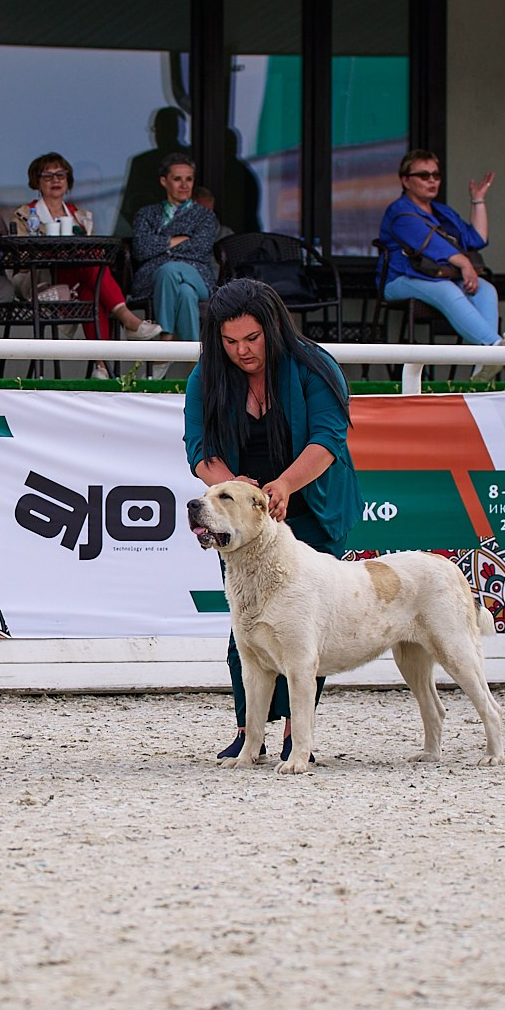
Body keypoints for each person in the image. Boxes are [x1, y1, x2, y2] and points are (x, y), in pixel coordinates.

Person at [184, 279, 359, 762]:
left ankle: (294, 739)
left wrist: (282, 486)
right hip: (243, 520)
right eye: (230, 341)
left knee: (306, 630)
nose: (242, 351)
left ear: (274, 328)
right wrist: (232, 488)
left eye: (252, 339)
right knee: (246, 626)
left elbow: (328, 438)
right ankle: (249, 732)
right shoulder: (206, 376)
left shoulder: (313, 365)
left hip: (313, 505)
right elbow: (199, 450)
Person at [9, 152, 165, 376]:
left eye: (60, 175)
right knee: (92, 265)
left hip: (77, 282)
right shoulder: (25, 214)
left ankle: (101, 367)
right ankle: (128, 319)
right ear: (37, 181)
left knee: (91, 291)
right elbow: (20, 257)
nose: (55, 180)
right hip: (42, 280)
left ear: (68, 180)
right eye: (48, 175)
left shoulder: (81, 216)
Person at [376, 149, 505, 376]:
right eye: (424, 175)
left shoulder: (442, 211)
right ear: (405, 180)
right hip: (400, 279)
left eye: (436, 175)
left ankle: (482, 368)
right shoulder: (399, 212)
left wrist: (478, 200)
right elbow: (431, 247)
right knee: (447, 290)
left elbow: (476, 239)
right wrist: (465, 265)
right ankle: (495, 349)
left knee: (485, 290)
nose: (432, 180)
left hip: (436, 277)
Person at [130, 153, 216, 343]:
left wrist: (159, 246)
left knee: (169, 269)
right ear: (164, 181)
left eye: (189, 179)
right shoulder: (146, 214)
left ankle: (165, 338)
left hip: (198, 275)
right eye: (177, 179)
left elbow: (199, 248)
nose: (184, 185)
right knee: (185, 293)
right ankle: (192, 363)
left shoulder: (205, 216)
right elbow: (141, 249)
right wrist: (176, 241)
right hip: (152, 279)